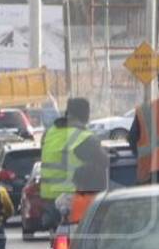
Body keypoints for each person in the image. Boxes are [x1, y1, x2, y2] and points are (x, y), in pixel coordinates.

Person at [39, 97, 108, 228]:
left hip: (48, 197)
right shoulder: (84, 137)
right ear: (85, 115)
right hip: (73, 196)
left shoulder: (49, 133)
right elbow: (104, 162)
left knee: (57, 237)